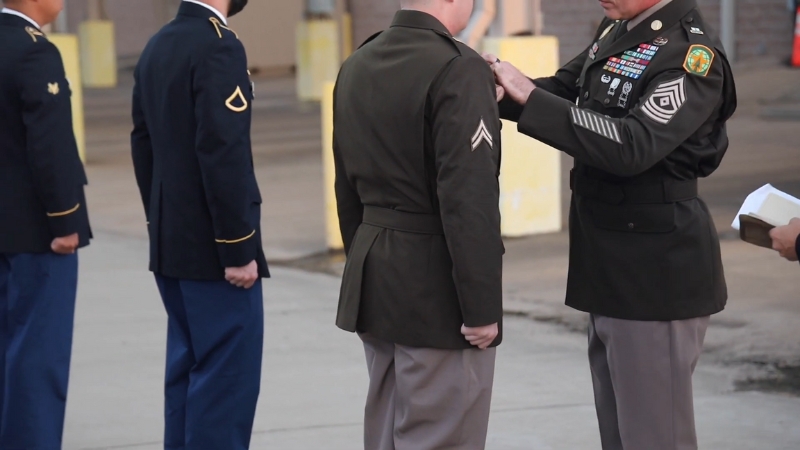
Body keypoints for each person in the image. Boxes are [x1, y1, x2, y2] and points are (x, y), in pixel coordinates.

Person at [486, 0, 736, 448]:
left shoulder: (691, 57)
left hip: (653, 273)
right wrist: (493, 87)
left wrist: (528, 96)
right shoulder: (619, 28)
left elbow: (632, 145)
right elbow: (565, 91)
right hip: (608, 261)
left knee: (656, 435)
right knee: (619, 434)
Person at [333, 0, 504, 448]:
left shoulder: (357, 62)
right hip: (437, 291)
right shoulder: (458, 68)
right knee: (443, 435)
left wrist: (364, 262)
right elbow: (469, 199)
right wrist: (481, 305)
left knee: (386, 432)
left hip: (375, 276)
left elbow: (346, 187)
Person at [131, 0, 268, 448]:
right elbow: (222, 150)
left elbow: (143, 142)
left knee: (187, 379)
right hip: (216, 251)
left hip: (174, 244)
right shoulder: (218, 46)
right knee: (225, 388)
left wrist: (161, 223)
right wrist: (238, 246)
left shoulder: (158, 44)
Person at [0, 0, 92, 447]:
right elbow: (49, 143)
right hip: (37, 234)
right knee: (38, 360)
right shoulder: (34, 50)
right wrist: (65, 221)